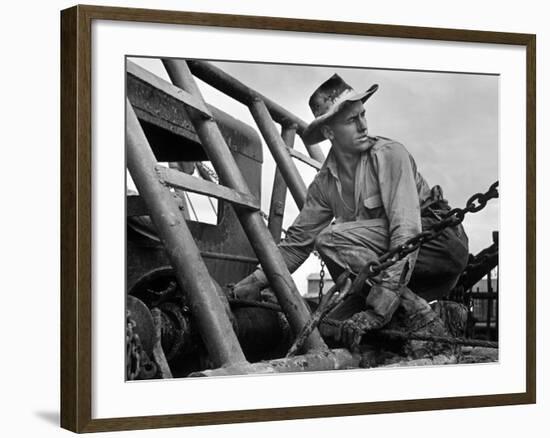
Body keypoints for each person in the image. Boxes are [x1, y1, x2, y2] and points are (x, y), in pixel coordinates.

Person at [232, 73, 469, 350]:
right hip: (391, 270)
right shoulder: (323, 185)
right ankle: (400, 327)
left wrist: (379, 310)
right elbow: (297, 246)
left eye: (363, 115)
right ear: (330, 132)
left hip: (437, 246)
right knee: (328, 330)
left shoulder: (390, 154)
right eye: (351, 120)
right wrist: (254, 282)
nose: (363, 125)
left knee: (332, 239)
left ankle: (419, 316)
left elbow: (406, 232)